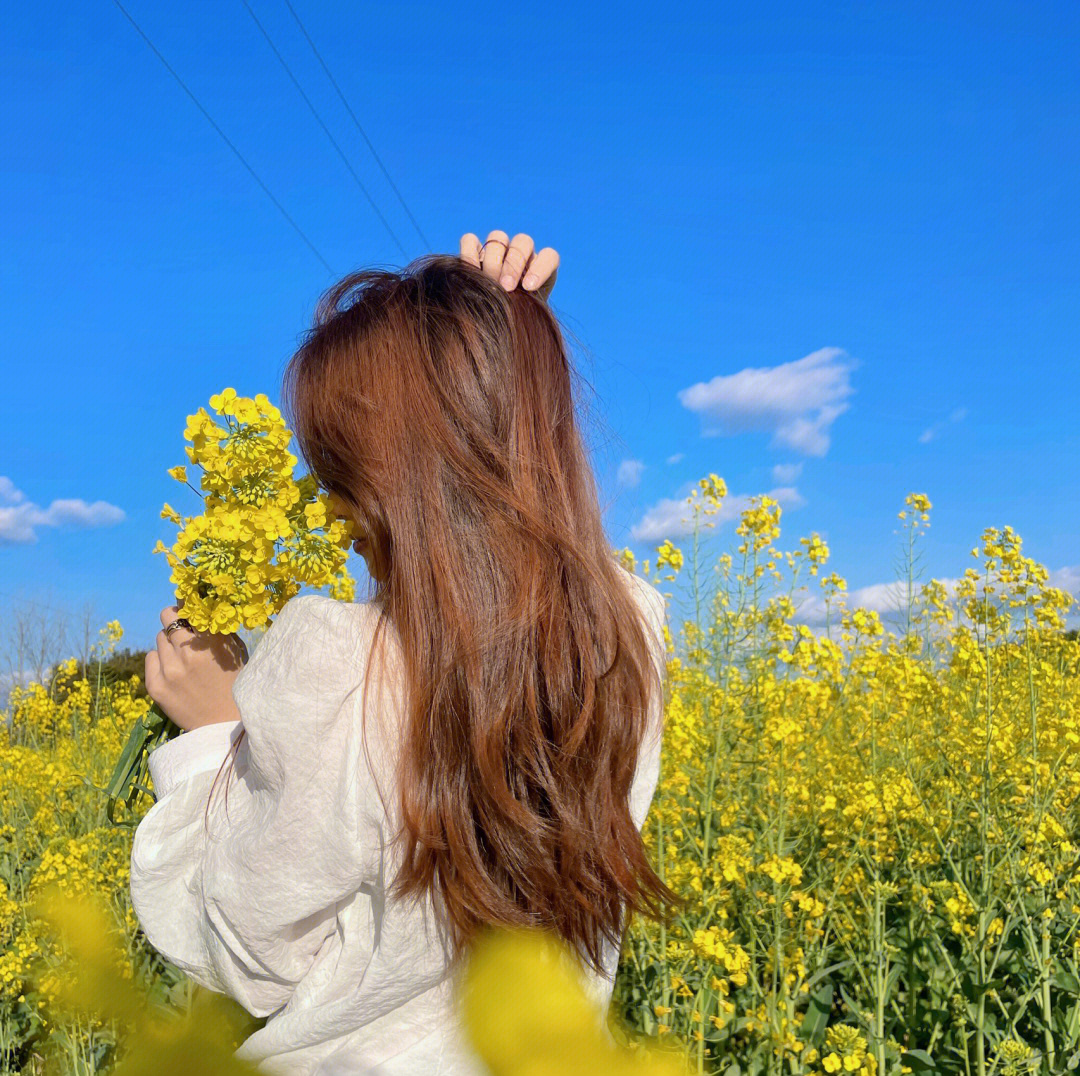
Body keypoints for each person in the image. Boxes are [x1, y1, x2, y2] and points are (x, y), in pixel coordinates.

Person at [130, 230, 685, 1075]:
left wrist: (209, 739)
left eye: (341, 470)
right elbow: (524, 528)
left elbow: (246, 957)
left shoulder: (332, 667)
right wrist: (498, 339)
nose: (334, 508)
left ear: (390, 476)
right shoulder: (623, 641)